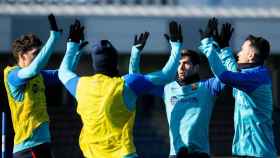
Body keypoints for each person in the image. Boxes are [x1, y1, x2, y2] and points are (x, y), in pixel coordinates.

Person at [58, 20, 183, 158]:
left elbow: (63, 72)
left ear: (95, 64)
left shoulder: (81, 85)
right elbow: (167, 75)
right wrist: (176, 46)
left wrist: (72, 45)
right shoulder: (126, 84)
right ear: (115, 63)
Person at [129, 31, 224, 158]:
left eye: (186, 63)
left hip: (200, 154)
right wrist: (135, 53)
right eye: (179, 63)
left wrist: (220, 50)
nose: (181, 67)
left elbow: (226, 76)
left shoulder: (208, 87)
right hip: (175, 155)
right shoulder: (167, 88)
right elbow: (135, 82)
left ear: (196, 68)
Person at [199, 18, 277, 158]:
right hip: (244, 151)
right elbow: (233, 72)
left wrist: (207, 44)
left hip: (258, 153)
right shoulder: (249, 76)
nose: (238, 53)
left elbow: (225, 76)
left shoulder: (257, 77)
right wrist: (223, 48)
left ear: (251, 55)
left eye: (242, 50)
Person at [3, 14, 62, 158]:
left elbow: (65, 74)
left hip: (42, 145)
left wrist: (73, 47)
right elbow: (33, 70)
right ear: (22, 56)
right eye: (36, 53)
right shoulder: (13, 75)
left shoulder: (39, 75)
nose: (40, 58)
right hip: (28, 148)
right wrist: (53, 39)